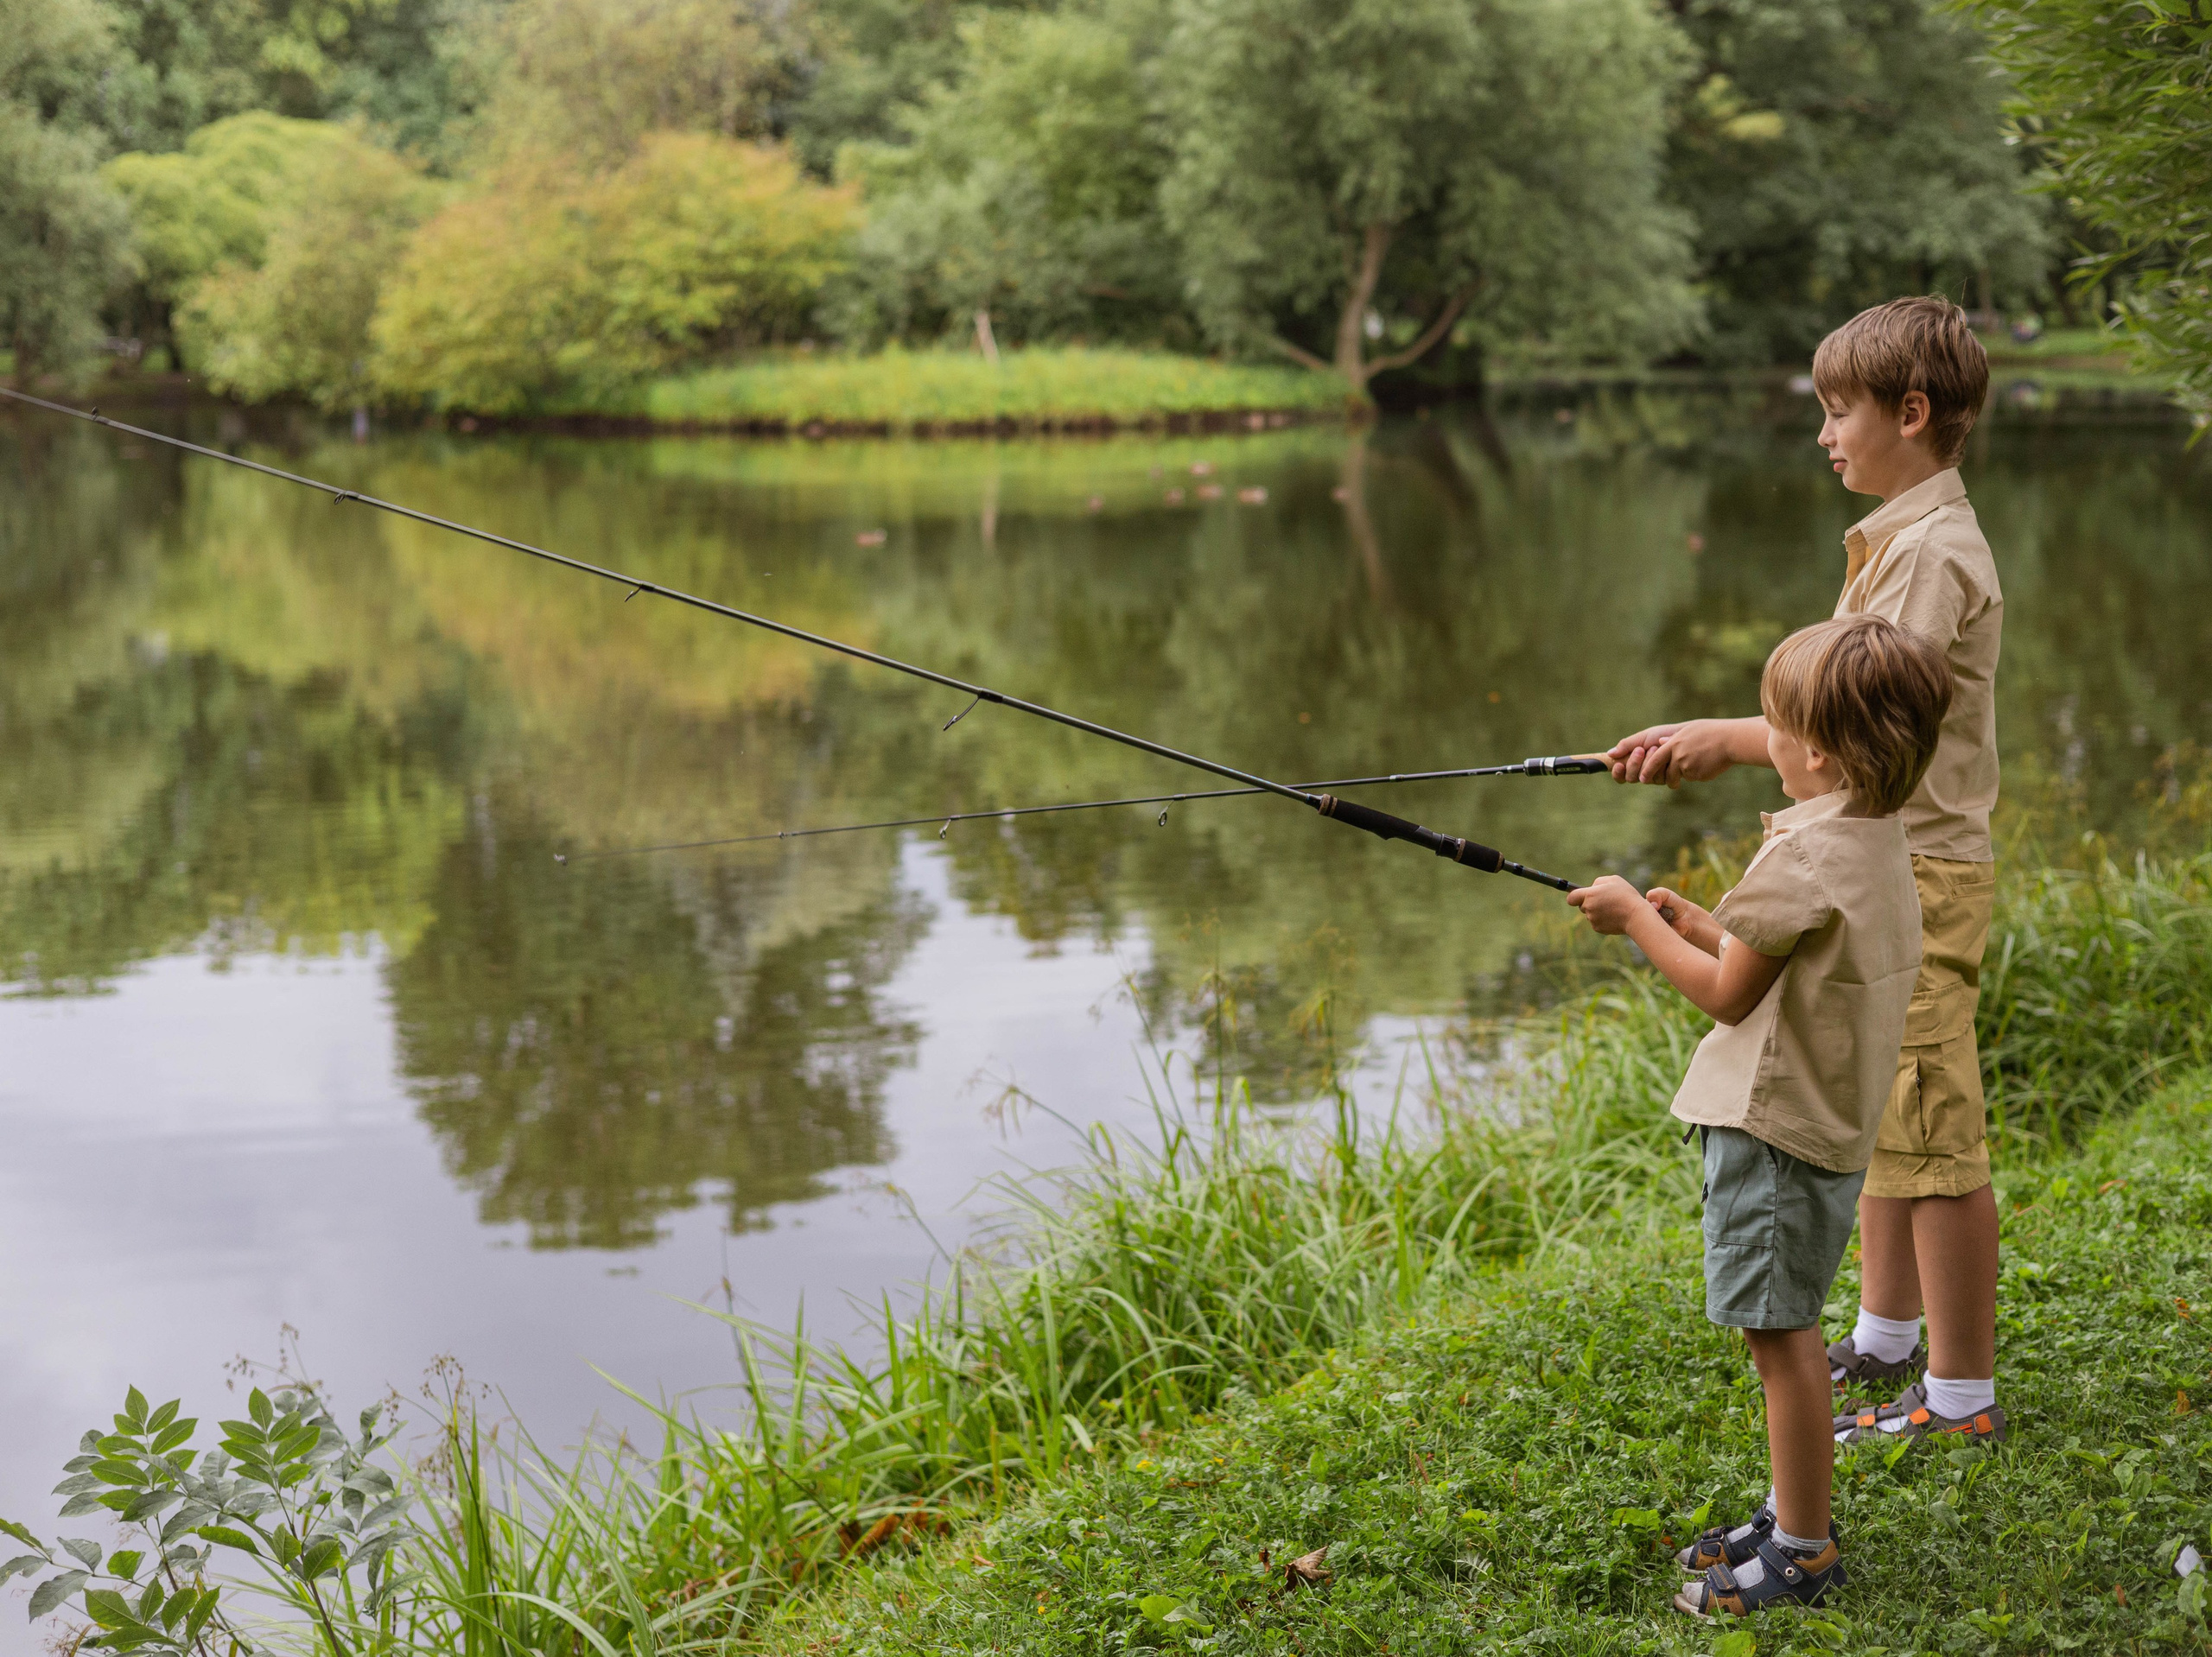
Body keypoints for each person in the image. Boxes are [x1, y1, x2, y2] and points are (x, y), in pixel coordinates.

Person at [1606, 297, 2005, 1451]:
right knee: (1881, 1100)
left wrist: (1733, 740)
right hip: (1882, 861)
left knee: (1934, 1124)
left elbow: (1871, 713)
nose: (1826, 434)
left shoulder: (1929, 556)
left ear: (1912, 412)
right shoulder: (1899, 537)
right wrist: (1729, 737)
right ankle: (1885, 1334)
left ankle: (1959, 1394)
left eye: (1841, 411)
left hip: (1915, 865)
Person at [1571, 613, 1952, 1618]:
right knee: (1784, 1333)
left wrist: (1637, 920)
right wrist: (1703, 920)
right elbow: (1782, 963)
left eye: (1775, 725)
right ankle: (1792, 1508)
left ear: (1818, 751)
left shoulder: (1802, 856)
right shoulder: (1876, 838)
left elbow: (1727, 996)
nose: (1765, 740)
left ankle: (1802, 1550)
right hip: (1827, 1129)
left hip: (1773, 1137)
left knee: (1781, 1342)